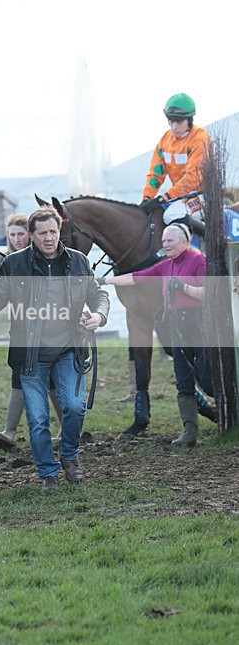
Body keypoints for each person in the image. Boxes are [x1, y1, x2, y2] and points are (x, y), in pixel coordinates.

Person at [0, 206, 109, 489]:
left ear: (59, 231)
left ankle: (69, 455)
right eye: (42, 233)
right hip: (30, 357)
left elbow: (97, 294)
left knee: (75, 407)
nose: (49, 238)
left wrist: (99, 315)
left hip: (69, 351)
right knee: (38, 419)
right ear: (31, 235)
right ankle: (47, 472)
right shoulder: (14, 264)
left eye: (53, 231)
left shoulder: (78, 261)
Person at [100, 223, 210, 445]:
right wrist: (104, 281)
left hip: (197, 326)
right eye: (163, 241)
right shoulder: (166, 265)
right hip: (176, 327)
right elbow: (136, 277)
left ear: (184, 241)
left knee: (208, 382)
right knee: (183, 381)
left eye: (170, 240)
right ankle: (189, 432)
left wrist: (183, 288)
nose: (165, 245)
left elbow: (209, 293)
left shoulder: (199, 260)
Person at [0, 213, 63, 448]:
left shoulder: (44, 259)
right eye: (12, 235)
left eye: (20, 234)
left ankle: (67, 426)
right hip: (22, 330)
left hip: (50, 330)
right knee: (20, 376)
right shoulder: (7, 262)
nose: (16, 239)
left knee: (51, 379)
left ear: (30, 235)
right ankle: (9, 430)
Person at [139, 93, 213, 236]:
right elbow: (155, 175)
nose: (174, 126)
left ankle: (214, 238)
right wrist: (147, 198)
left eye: (179, 122)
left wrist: (163, 198)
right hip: (179, 196)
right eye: (171, 121)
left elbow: (192, 179)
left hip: (203, 194)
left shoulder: (200, 139)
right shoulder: (165, 140)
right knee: (142, 213)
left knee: (171, 214)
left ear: (189, 120)